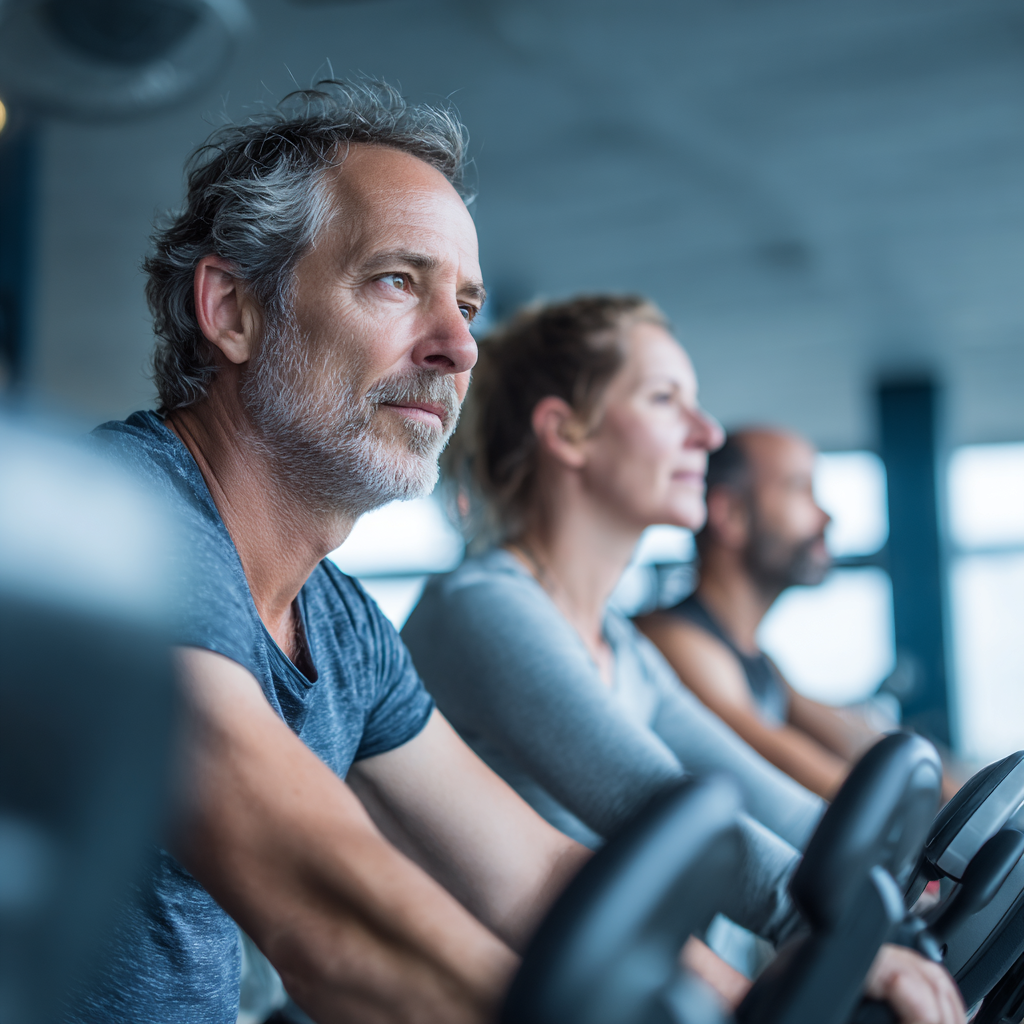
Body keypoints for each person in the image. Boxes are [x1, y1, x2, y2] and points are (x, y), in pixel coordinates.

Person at [75, 81, 962, 1024]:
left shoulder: (342, 630)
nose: (459, 346)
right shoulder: (123, 525)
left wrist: (742, 1001)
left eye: (467, 303)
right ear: (234, 310)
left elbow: (538, 876)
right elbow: (329, 909)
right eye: (396, 281)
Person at [401, 297, 961, 1017]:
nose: (708, 431)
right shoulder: (481, 606)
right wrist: (832, 927)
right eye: (666, 399)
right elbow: (654, 802)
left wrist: (924, 878)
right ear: (566, 433)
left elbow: (756, 796)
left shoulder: (623, 646)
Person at [636, 428, 949, 802]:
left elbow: (860, 739)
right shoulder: (675, 642)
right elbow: (792, 766)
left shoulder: (761, 665)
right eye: (801, 489)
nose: (826, 517)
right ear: (731, 514)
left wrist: (973, 795)